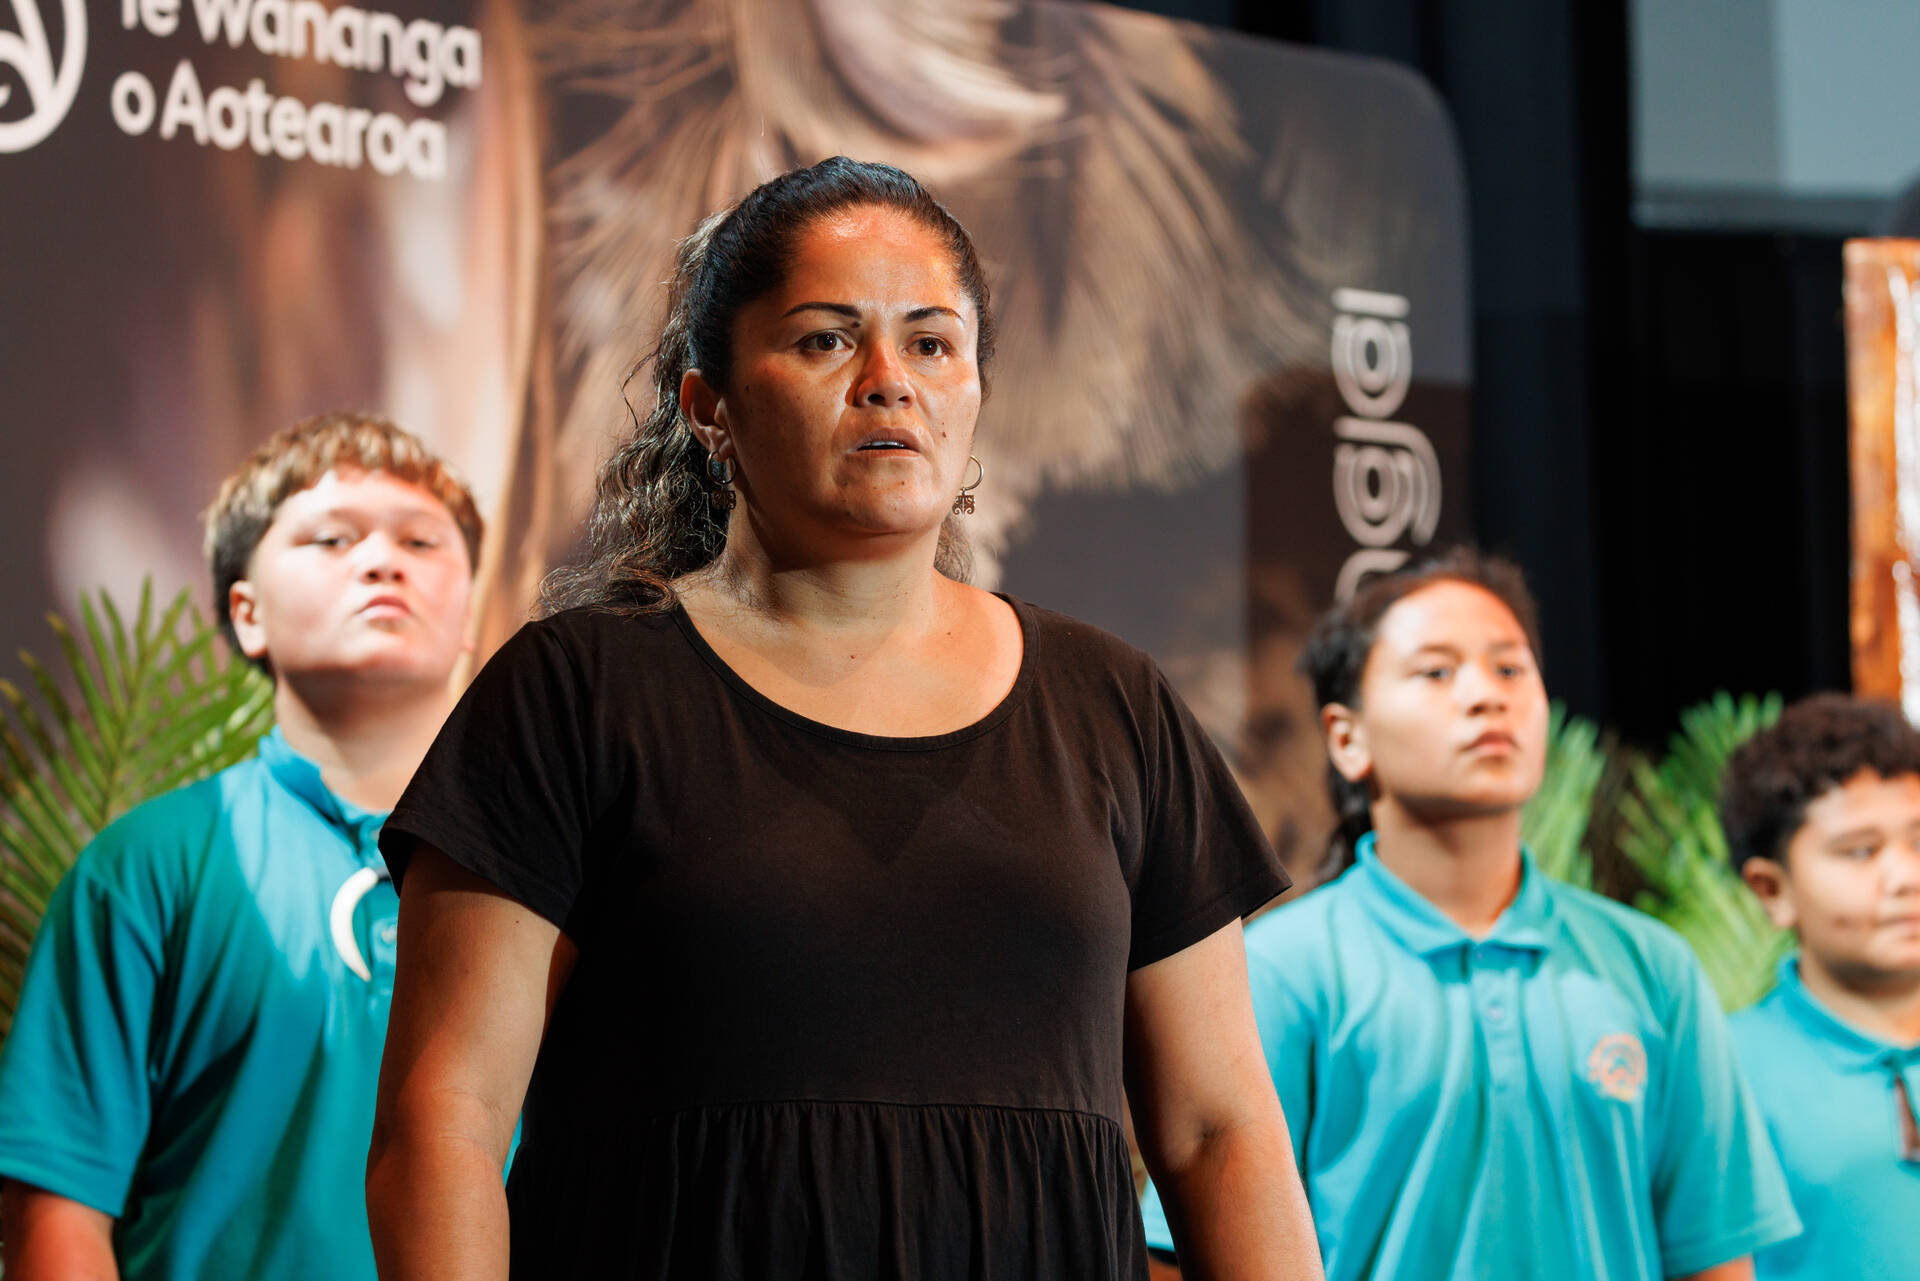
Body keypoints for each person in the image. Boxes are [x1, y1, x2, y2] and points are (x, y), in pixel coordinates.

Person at [364, 156, 1320, 1280]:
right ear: (709, 408)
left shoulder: (1114, 706)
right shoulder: (576, 692)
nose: (888, 382)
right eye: (825, 339)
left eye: (932, 344)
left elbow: (1219, 1134)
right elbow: (444, 1120)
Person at [1139, 549, 1801, 1281]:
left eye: (1511, 668)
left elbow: (1713, 1258)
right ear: (1347, 738)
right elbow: (1179, 1254)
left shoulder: (1652, 966)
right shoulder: (1281, 969)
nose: (1487, 695)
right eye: (1436, 672)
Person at [0, 414, 483, 1281]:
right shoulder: (145, 866)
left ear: (470, 619)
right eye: (332, 538)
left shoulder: (547, 880)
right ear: (246, 613)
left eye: (420, 540)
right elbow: (58, 1209)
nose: (383, 561)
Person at [1721, 694, 1920, 1280]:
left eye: (1919, 842)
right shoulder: (1727, 1072)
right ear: (1772, 890)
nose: (1906, 876)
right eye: (1861, 851)